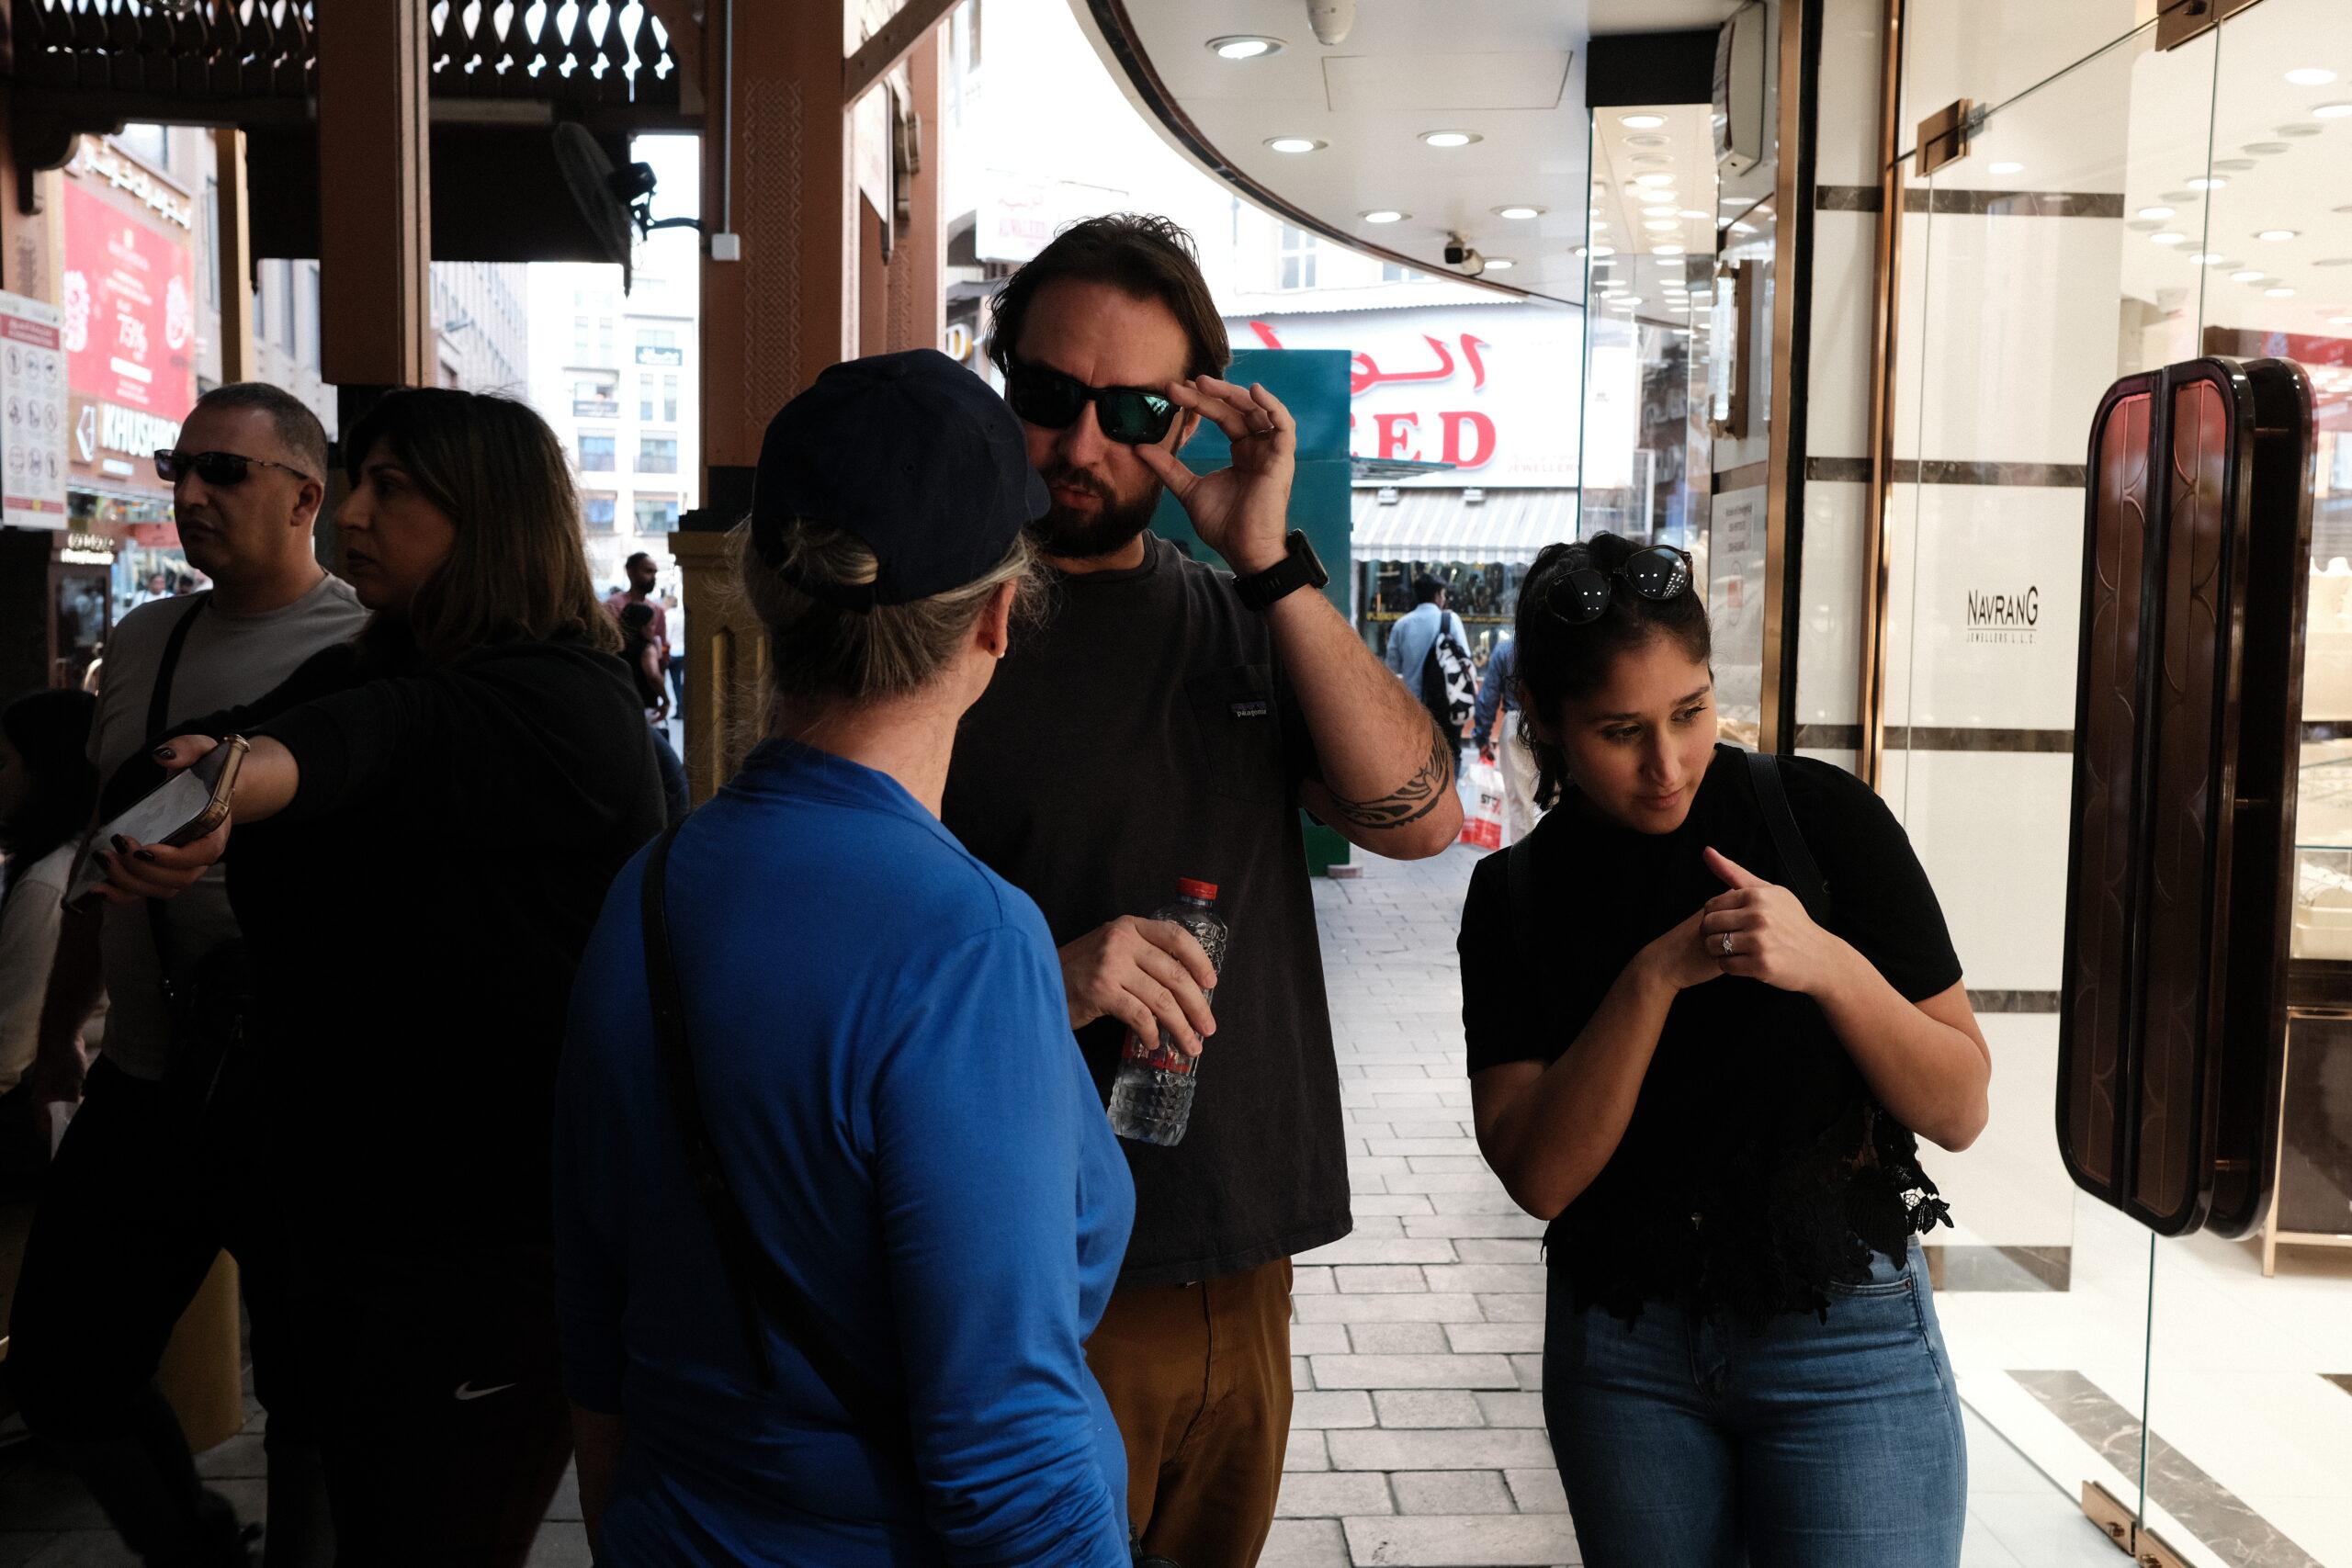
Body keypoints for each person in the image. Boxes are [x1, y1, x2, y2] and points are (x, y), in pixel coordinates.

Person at [941, 214, 1461, 1567]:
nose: (1083, 443)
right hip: (1032, 1267)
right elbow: (840, 947)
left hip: (1243, 1247)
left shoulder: (1241, 615)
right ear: (1001, 383)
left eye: (1132, 411)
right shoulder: (936, 636)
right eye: (1049, 395)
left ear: (1190, 418)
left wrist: (1269, 560)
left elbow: (1421, 819)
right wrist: (1049, 975)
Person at [558, 349, 1134, 1567]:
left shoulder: (647, 889)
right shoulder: (968, 941)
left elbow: (597, 1336)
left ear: (765, 594)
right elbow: (1010, 1463)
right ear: (996, 619)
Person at [114, 388, 667, 1568]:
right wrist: (184, 782)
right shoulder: (366, 662)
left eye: (391, 488)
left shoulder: (565, 698)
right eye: (355, 481)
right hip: (351, 1218)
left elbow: (373, 742)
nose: (352, 513)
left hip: (492, 1241)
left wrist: (234, 784)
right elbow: (239, 744)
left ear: (490, 517)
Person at [1458, 533, 1991, 1568]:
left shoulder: (1822, 820)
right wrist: (1652, 978)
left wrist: (1827, 963)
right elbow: (1541, 1175)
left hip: (1845, 1337)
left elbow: (1960, 1105)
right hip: (1626, 1351)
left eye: (1690, 711)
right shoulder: (1517, 895)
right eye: (1620, 731)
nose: (1667, 765)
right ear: (1547, 719)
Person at [7, 381, 365, 1568]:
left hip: (294, 1088)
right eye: (180, 467)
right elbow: (99, 853)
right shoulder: (146, 638)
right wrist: (61, 1034)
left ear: (306, 498)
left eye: (225, 471)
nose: (191, 492)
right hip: (145, 1075)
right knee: (64, 1369)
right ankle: (200, 1548)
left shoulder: (368, 644)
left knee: (312, 1394)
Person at [0, 688, 97, 1194]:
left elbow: (6, 1054)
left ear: (47, 772)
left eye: (3, 763)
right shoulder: (69, 861)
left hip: (46, 1117)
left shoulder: (48, 882)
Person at [1384, 574, 1476, 768]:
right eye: (1443, 594)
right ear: (1437, 596)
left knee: (1418, 758)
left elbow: (1391, 668)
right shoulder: (1451, 620)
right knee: (1450, 755)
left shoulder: (1401, 625)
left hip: (1413, 707)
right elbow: (1465, 659)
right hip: (1448, 703)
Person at [617, 599, 689, 821]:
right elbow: (653, 675)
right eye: (651, 625)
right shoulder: (645, 647)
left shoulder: (616, 645)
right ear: (641, 626)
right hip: (647, 709)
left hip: (625, 707)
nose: (653, 629)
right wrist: (666, 700)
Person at [1474, 632, 1542, 845]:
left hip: (1516, 724)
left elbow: (1488, 697)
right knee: (1558, 800)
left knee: (1521, 802)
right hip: (1557, 722)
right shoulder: (1558, 643)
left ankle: (1527, 858)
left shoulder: (1506, 649)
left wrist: (1483, 738)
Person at [605, 550, 668, 661]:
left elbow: (662, 648)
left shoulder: (658, 611)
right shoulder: (613, 606)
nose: (653, 577)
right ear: (631, 572)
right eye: (648, 571)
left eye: (655, 573)